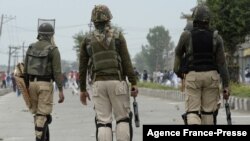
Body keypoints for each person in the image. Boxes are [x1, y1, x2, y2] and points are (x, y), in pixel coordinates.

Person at [79, 4, 138, 141]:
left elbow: (82, 68)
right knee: (122, 119)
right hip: (117, 82)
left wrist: (82, 89)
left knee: (103, 121)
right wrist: (133, 83)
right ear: (109, 19)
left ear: (93, 21)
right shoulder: (118, 36)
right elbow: (126, 62)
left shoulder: (87, 40)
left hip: (98, 84)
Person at [173, 4, 230, 125]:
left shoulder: (186, 35)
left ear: (194, 18)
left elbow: (178, 53)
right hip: (211, 77)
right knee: (208, 112)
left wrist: (178, 71)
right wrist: (226, 86)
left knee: (192, 111)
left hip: (193, 76)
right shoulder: (216, 37)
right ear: (209, 19)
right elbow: (222, 64)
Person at [23, 22, 64, 141]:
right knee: (42, 114)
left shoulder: (30, 47)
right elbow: (57, 72)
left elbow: (25, 69)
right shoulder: (53, 50)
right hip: (45, 84)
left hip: (31, 84)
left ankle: (41, 134)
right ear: (51, 35)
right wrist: (61, 90)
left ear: (39, 34)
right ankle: (39, 138)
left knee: (37, 114)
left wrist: (26, 87)